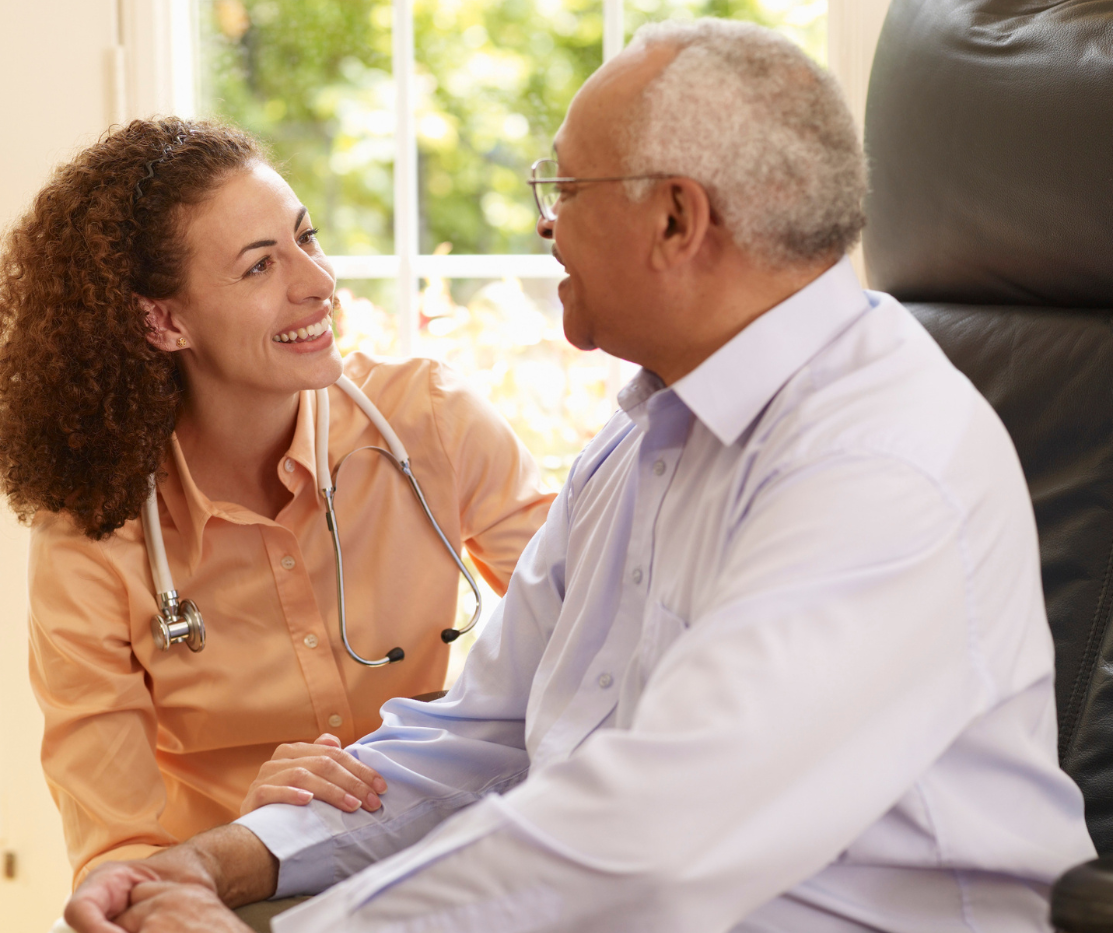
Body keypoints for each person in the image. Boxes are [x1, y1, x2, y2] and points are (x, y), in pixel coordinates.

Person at [62, 19, 1097, 933]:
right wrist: (221, 856)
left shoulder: (877, 464)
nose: (542, 225)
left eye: (561, 189)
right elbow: (486, 731)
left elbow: (655, 835)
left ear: (674, 221)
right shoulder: (649, 434)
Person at [0, 118, 553, 887]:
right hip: (232, 892)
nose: (318, 282)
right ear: (165, 319)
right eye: (259, 267)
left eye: (306, 239)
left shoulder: (431, 421)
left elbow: (600, 628)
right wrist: (249, 835)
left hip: (438, 865)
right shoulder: (93, 537)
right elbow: (118, 852)